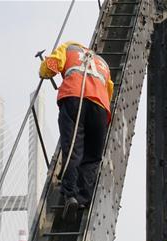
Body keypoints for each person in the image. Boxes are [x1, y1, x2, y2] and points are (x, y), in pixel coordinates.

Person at [39, 40, 114, 220]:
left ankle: (70, 195)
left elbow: (49, 68)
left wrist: (44, 69)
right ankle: (83, 199)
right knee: (93, 156)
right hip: (100, 107)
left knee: (73, 149)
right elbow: (109, 88)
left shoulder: (68, 48)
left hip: (74, 98)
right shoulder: (103, 63)